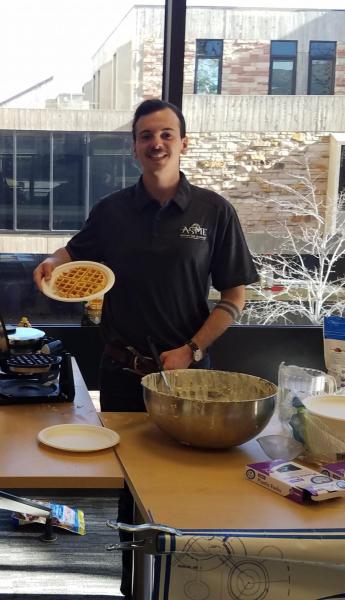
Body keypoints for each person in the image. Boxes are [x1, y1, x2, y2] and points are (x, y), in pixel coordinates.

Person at [33, 98, 258, 598]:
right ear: (134, 147)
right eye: (145, 136)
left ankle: (189, 584)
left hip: (187, 379)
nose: (156, 143)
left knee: (187, 485)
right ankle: (132, 586)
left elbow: (235, 296)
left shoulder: (213, 211)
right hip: (121, 372)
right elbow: (73, 251)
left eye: (166, 134)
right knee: (128, 491)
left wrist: (192, 351)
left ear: (183, 142)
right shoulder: (112, 210)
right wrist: (51, 261)